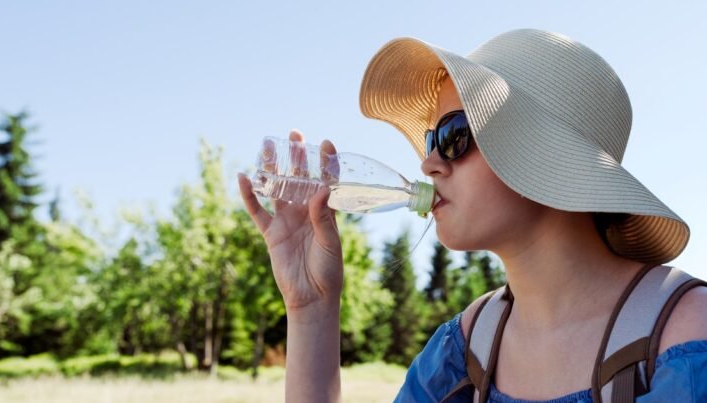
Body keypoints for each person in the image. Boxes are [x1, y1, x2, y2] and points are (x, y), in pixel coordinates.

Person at [236, 29, 707, 402]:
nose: (429, 163)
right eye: (429, 140)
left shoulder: (685, 337)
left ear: (549, 156)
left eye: (456, 133)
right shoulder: (464, 350)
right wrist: (312, 310)